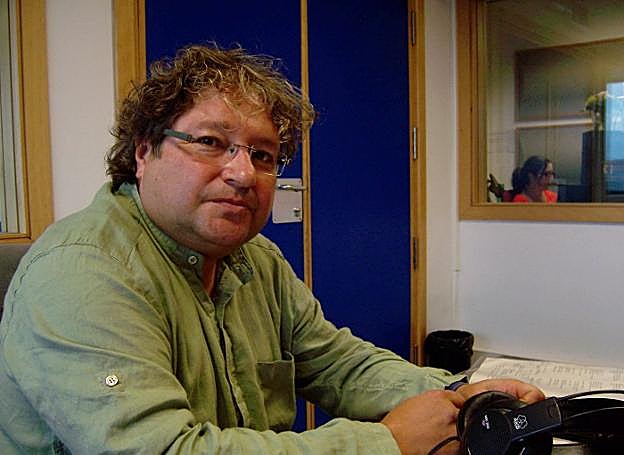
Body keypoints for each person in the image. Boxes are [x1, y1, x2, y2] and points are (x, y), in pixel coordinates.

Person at [0, 43, 543, 455]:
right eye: (210, 142)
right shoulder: (81, 272)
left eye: (262, 155)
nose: (243, 174)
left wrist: (462, 396)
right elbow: (163, 449)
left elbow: (337, 364)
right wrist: (386, 443)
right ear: (144, 152)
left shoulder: (255, 259)